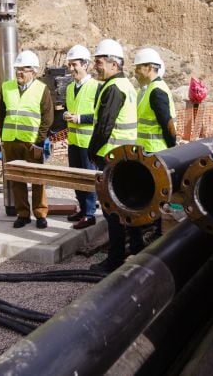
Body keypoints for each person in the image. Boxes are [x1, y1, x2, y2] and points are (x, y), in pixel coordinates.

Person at [87, 39, 143, 273]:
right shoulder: (126, 85)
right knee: (127, 204)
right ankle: (137, 246)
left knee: (112, 209)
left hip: (111, 156)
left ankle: (115, 259)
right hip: (125, 155)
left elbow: (105, 126)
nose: (96, 66)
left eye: (99, 62)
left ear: (113, 64)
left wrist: (92, 150)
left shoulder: (113, 88)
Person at [0, 50, 54, 229]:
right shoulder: (6, 87)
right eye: (18, 69)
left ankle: (40, 213)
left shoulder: (41, 89)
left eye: (24, 69)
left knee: (37, 179)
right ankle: (22, 214)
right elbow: (2, 115)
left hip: (32, 143)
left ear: (34, 72)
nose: (20, 73)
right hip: (11, 141)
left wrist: (39, 142)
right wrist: (3, 137)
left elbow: (47, 118)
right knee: (17, 180)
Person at [134, 47, 177, 237]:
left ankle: (159, 232)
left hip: (156, 151)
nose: (135, 72)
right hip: (148, 150)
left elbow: (167, 124)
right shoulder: (148, 90)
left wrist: (171, 147)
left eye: (138, 68)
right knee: (151, 193)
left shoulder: (157, 91)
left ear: (150, 68)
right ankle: (153, 228)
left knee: (156, 194)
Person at [63, 44, 101, 230]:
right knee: (75, 178)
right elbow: (69, 108)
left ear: (85, 65)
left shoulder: (96, 87)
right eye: (69, 65)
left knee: (88, 179)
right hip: (73, 141)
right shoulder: (70, 88)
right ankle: (82, 208)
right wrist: (66, 115)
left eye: (75, 64)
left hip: (88, 143)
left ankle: (89, 213)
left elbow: (100, 116)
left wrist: (79, 118)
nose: (71, 69)